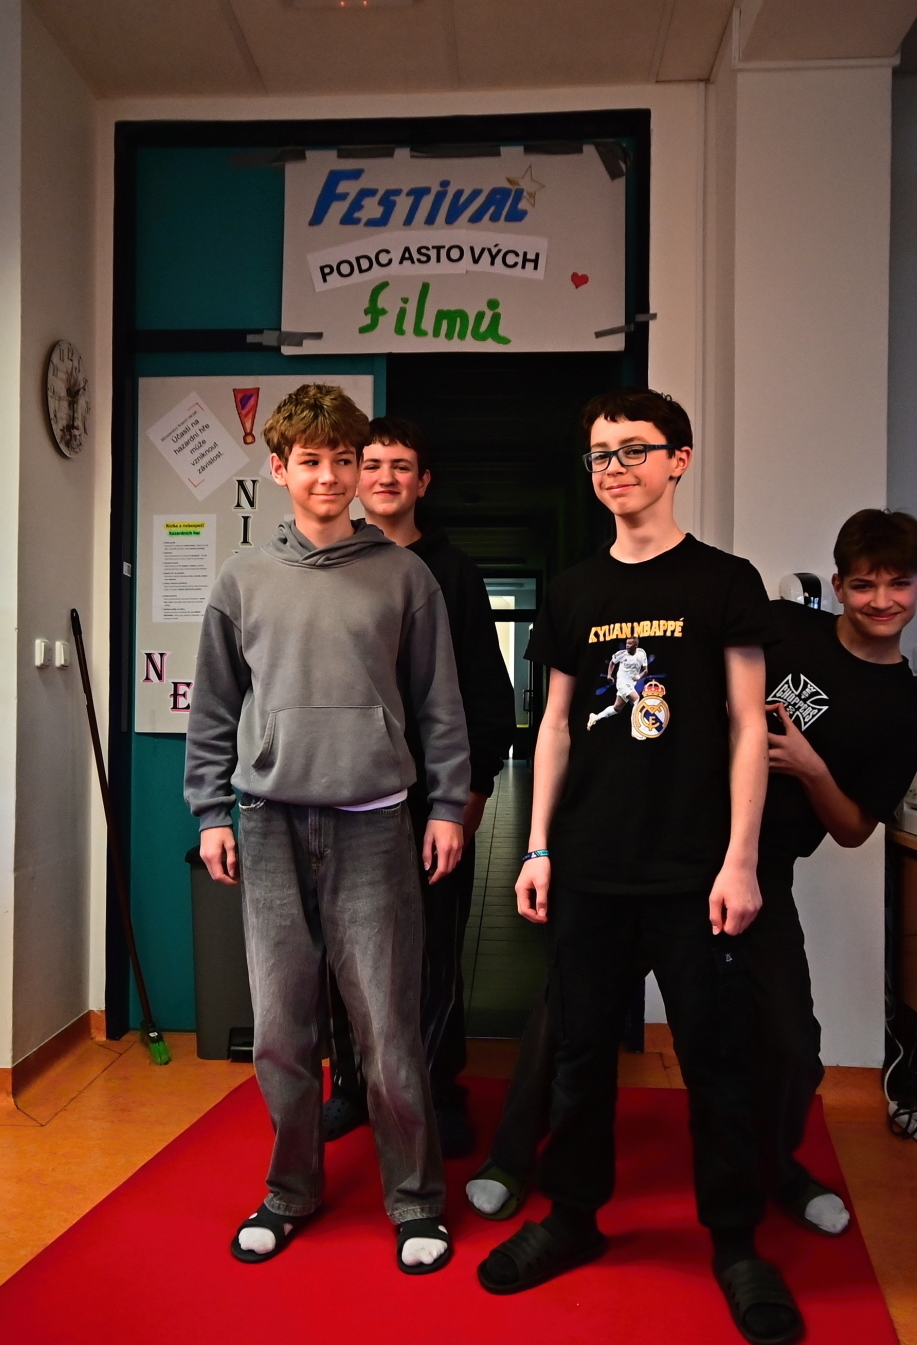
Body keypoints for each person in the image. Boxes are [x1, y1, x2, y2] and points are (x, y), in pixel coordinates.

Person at [476, 389, 798, 1345]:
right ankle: (573, 1216)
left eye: (632, 450)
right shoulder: (576, 590)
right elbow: (555, 727)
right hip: (589, 868)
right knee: (579, 1061)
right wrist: (538, 846)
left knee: (717, 1063)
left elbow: (749, 727)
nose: (613, 468)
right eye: (600, 455)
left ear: (678, 460)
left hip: (697, 872)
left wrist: (742, 861)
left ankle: (735, 1243)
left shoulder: (725, 581)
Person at [184, 384, 471, 1275]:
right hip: (268, 822)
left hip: (376, 824)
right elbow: (215, 708)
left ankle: (415, 1199)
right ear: (280, 469)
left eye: (344, 460)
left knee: (387, 1027)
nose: (330, 476)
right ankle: (290, 1190)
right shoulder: (242, 579)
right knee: (281, 1028)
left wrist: (449, 805)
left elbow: (439, 705)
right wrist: (210, 812)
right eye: (311, 461)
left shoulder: (406, 577)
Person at [322, 416, 518, 1158]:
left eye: (400, 465)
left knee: (432, 951)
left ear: (423, 482)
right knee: (343, 948)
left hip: (429, 800)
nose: (384, 477)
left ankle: (436, 1090)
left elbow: (486, 693)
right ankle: (351, 1087)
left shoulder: (453, 574)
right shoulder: (331, 565)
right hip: (344, 794)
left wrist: (470, 794)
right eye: (371, 464)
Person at [748, 509, 917, 1240]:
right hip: (681, 845)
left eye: (898, 584)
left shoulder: (908, 716)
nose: (881, 600)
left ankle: (777, 1172)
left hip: (763, 869)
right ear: (837, 585)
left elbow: (854, 829)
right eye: (863, 585)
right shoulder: (783, 627)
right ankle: (516, 1158)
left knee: (793, 1044)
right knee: (577, 1006)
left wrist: (811, 766)